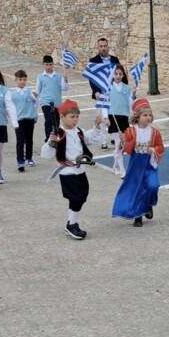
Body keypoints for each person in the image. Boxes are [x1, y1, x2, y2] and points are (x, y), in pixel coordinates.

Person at [41, 99, 104, 240]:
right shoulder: (59, 134)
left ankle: (70, 223)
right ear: (62, 117)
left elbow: (91, 139)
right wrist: (51, 143)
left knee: (82, 196)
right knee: (77, 197)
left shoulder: (78, 132)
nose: (75, 120)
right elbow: (46, 154)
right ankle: (72, 225)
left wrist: (96, 126)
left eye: (77, 117)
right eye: (71, 117)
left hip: (80, 170)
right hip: (67, 172)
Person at [112, 99, 164, 227]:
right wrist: (123, 142)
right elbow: (126, 149)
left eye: (149, 115)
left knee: (153, 185)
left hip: (149, 164)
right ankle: (138, 215)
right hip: (136, 165)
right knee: (137, 189)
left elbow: (160, 147)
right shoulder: (130, 131)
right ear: (137, 116)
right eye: (145, 115)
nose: (148, 118)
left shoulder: (155, 132)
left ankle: (148, 205)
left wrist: (153, 150)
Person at [105, 63, 137, 176]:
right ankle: (123, 170)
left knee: (122, 144)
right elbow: (105, 104)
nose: (118, 76)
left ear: (123, 75)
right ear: (112, 75)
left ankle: (115, 166)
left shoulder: (127, 88)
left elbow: (130, 104)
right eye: (116, 74)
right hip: (113, 117)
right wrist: (105, 118)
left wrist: (133, 95)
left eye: (120, 74)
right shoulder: (108, 88)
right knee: (118, 143)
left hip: (124, 118)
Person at [88, 37, 120, 149]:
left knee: (115, 116)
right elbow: (92, 78)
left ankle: (115, 138)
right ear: (98, 47)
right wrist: (96, 91)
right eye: (101, 46)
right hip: (101, 94)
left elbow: (120, 74)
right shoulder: (93, 61)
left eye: (105, 46)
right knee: (101, 118)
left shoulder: (115, 60)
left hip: (114, 93)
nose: (103, 48)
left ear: (108, 47)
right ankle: (103, 141)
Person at [33, 55, 69, 144]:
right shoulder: (40, 77)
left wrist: (66, 81)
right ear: (43, 65)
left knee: (56, 121)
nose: (48, 67)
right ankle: (48, 139)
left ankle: (56, 138)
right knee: (48, 120)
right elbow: (37, 89)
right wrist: (35, 101)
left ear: (53, 64)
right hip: (45, 102)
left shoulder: (58, 75)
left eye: (50, 64)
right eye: (46, 64)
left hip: (57, 103)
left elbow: (64, 88)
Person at [12, 70, 39, 172]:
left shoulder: (30, 92)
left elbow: (36, 102)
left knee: (29, 139)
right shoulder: (13, 95)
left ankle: (29, 158)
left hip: (29, 119)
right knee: (20, 140)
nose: (22, 81)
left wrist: (34, 101)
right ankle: (20, 160)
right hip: (19, 120)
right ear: (16, 80)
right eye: (20, 79)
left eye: (24, 79)